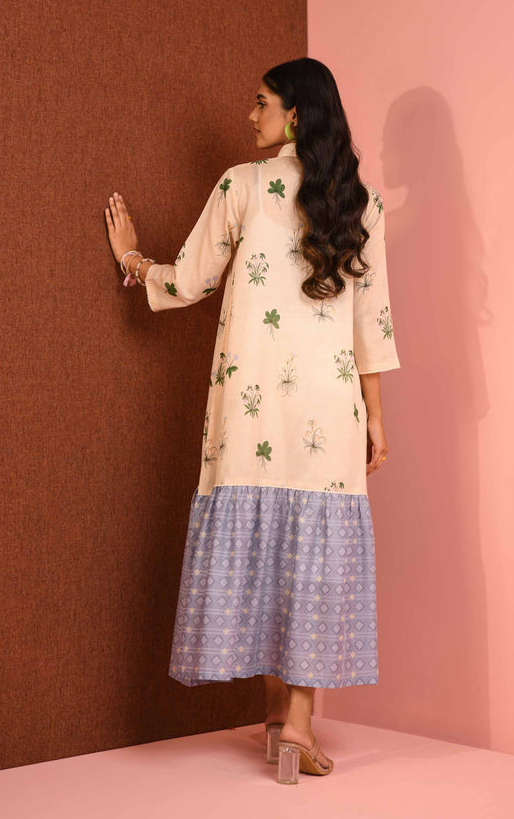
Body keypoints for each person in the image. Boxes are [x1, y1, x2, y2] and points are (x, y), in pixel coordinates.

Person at [104, 57, 401, 783]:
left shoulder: (242, 185)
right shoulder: (360, 202)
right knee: (311, 555)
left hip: (250, 406)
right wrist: (376, 416)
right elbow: (372, 322)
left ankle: (279, 721)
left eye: (261, 102)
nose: (250, 114)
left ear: (295, 113)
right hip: (329, 407)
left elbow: (190, 279)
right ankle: (293, 722)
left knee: (268, 545)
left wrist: (133, 258)